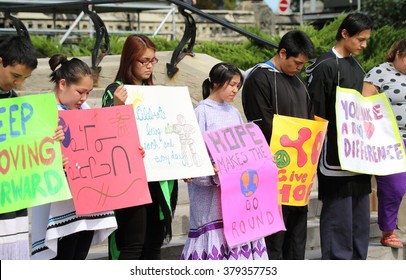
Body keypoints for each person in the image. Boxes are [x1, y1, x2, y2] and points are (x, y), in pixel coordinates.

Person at [30, 54, 117, 260]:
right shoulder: (43, 111)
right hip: (59, 203)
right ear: (62, 84)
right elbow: (29, 155)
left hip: (87, 201)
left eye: (88, 92)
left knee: (79, 255)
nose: (84, 98)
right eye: (80, 92)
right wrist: (51, 150)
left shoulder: (85, 111)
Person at [180, 62, 268, 260]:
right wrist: (213, 173)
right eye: (232, 85)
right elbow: (192, 161)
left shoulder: (234, 113)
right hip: (210, 201)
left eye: (238, 85)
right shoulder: (200, 113)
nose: (235, 90)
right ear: (217, 83)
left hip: (236, 198)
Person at [101, 34, 178, 260]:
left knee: (153, 245)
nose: (149, 66)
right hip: (130, 181)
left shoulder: (154, 92)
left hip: (157, 178)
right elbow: (104, 138)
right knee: (132, 245)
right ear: (129, 61)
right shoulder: (114, 91)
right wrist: (117, 106)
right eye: (143, 61)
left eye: (152, 60)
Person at [242, 30, 315, 260]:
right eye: (296, 62)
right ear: (282, 53)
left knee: (296, 236)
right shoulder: (260, 77)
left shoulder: (299, 82)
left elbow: (309, 120)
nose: (299, 68)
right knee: (274, 238)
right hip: (274, 168)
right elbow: (261, 122)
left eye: (303, 64)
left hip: (299, 175)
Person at [306, 12, 373, 259]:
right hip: (333, 154)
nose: (364, 45)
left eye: (366, 40)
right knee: (338, 213)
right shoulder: (324, 66)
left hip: (359, 154)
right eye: (360, 39)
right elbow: (315, 112)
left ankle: (358, 260)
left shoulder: (357, 67)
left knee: (360, 214)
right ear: (344, 34)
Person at [0, 35, 64, 260]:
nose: (18, 83)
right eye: (15, 76)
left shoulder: (13, 99)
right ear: (0, 62)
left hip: (11, 200)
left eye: (24, 78)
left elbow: (29, 144)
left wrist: (52, 137)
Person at [362, 39, 406, 249]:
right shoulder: (380, 73)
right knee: (394, 187)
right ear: (397, 53)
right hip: (391, 140)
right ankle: (388, 231)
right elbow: (363, 103)